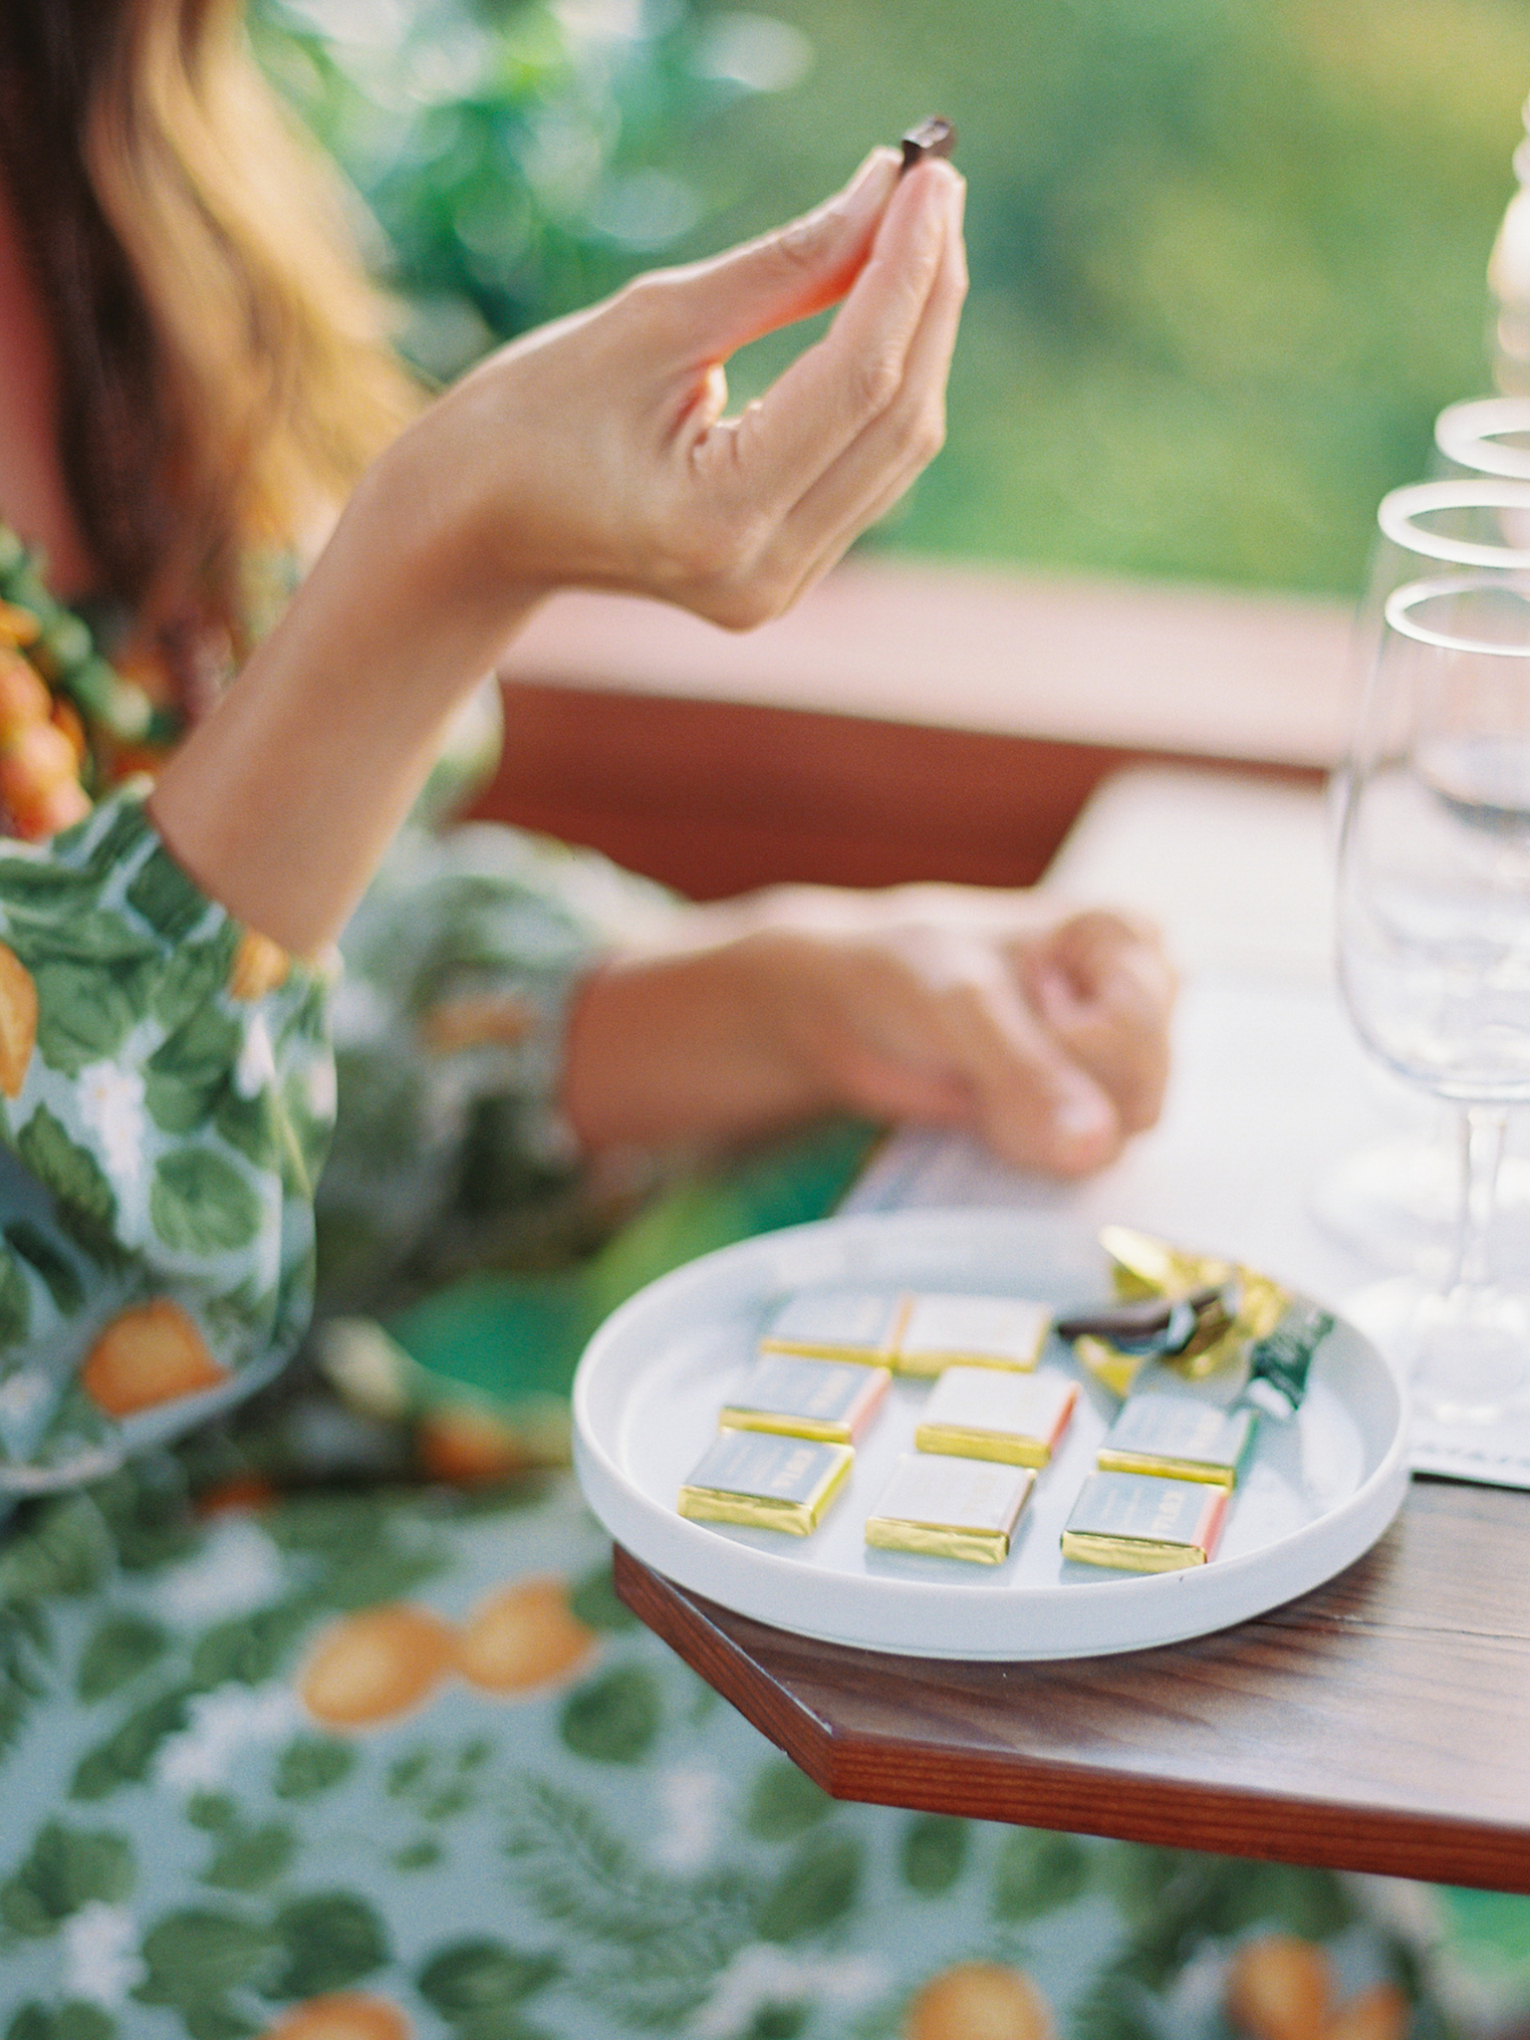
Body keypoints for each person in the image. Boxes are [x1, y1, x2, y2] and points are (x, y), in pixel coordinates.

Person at [0, 5, 1445, 2036]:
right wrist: (430, 566)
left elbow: (274, 992)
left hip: (276, 1520)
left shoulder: (126, 123)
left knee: (1167, 1702)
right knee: (1085, 1844)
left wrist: (779, 997)